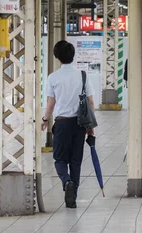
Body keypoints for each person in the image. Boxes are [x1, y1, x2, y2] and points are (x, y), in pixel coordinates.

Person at [41, 40, 95, 209]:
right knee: (76, 161)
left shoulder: (53, 77)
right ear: (73, 56)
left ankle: (66, 181)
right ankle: (73, 197)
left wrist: (44, 119)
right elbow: (90, 102)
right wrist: (90, 126)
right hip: (79, 124)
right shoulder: (82, 75)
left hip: (62, 123)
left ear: (57, 56)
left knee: (59, 159)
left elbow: (51, 102)